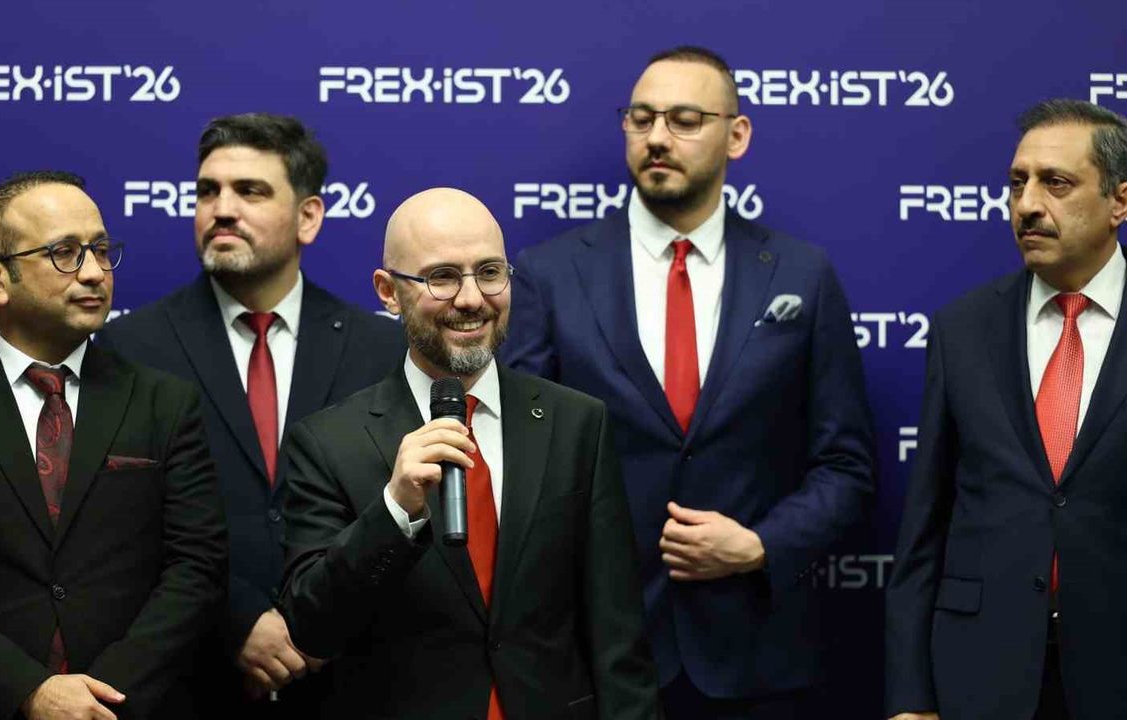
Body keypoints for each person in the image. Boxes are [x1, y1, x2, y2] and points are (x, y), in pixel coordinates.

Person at [500, 46, 875, 718]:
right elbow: (521, 465)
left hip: (755, 654)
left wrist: (761, 545)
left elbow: (846, 466)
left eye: (684, 119)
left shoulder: (802, 276)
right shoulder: (550, 275)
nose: (657, 138)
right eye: (641, 119)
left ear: (737, 134)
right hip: (594, 657)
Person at [279, 187, 659, 719]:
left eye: (489, 272)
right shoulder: (327, 442)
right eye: (442, 277)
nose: (472, 298)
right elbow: (312, 627)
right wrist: (394, 511)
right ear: (389, 292)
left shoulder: (577, 424)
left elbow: (617, 636)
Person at [0, 171, 227, 719]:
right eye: (64, 253)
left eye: (101, 250)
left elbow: (197, 567)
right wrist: (29, 691)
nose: (94, 272)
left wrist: (104, 696)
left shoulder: (165, 403)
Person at [99, 112, 405, 713]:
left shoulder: (380, 350)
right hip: (192, 682)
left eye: (250, 191)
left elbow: (391, 515)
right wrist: (235, 620)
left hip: (353, 680)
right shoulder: (132, 347)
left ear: (308, 217)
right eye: (207, 191)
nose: (222, 209)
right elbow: (122, 522)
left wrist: (319, 621)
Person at [886, 100, 1127, 720]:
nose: (1027, 205)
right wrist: (910, 697)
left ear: (1119, 202)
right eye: (1018, 184)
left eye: (1056, 183)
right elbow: (925, 529)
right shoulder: (962, 329)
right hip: (982, 672)